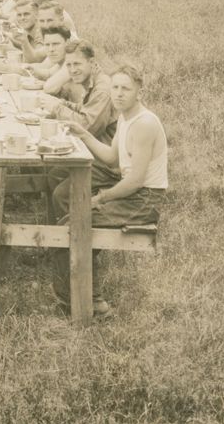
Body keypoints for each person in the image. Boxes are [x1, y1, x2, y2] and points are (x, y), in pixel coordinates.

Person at [51, 62, 167, 317]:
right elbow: (111, 158)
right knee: (70, 222)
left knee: (74, 226)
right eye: (115, 87)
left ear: (139, 90)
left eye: (126, 88)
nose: (119, 94)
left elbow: (136, 180)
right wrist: (83, 134)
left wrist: (100, 198)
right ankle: (77, 297)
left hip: (145, 200)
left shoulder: (144, 123)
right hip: (133, 194)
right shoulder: (125, 118)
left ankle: (90, 303)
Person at [39, 40, 118, 144]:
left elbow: (87, 127)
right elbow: (83, 109)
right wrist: (62, 104)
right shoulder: (93, 81)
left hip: (105, 152)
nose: (73, 70)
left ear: (91, 62)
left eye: (77, 64)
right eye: (69, 65)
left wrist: (56, 108)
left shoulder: (102, 89)